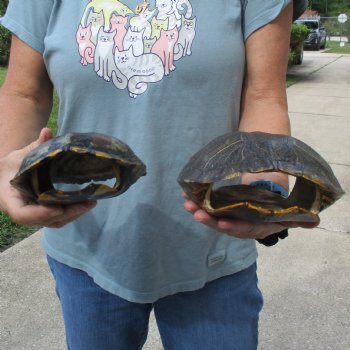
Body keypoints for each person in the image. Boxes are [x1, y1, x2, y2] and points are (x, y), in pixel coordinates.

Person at [0, 0, 318, 349]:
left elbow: (263, 96)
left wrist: (264, 193)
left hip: (212, 246)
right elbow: (23, 93)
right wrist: (7, 170)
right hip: (86, 243)